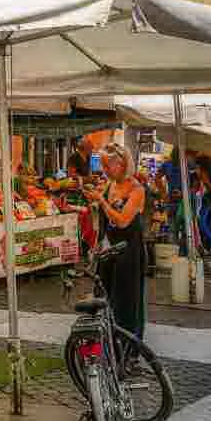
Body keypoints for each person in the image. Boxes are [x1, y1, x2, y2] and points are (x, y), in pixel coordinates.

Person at [85, 144, 147, 339]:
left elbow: (122, 221)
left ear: (121, 164)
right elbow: (105, 220)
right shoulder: (110, 185)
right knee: (106, 298)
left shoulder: (137, 190)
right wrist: (96, 244)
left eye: (106, 166)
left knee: (127, 302)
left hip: (129, 252)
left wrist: (101, 201)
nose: (104, 170)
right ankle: (110, 342)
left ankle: (129, 349)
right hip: (110, 251)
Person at [194, 155, 211, 256]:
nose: (196, 168)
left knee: (203, 222)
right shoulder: (208, 173)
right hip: (209, 201)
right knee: (207, 224)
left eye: (198, 166)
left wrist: (205, 180)